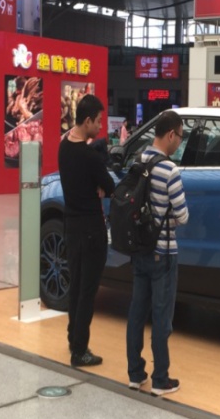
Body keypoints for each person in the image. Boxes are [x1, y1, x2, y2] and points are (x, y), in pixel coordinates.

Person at [126, 110, 189, 395]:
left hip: (139, 249)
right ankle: (161, 379)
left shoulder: (138, 161)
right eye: (180, 137)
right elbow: (183, 216)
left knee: (136, 312)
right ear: (171, 134)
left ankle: (135, 374)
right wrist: (168, 217)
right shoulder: (170, 170)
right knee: (162, 317)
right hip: (163, 252)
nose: (179, 143)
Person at [58, 94, 115, 367]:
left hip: (71, 227)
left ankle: (74, 338)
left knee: (76, 286)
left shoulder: (64, 147)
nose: (101, 126)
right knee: (88, 291)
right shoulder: (90, 157)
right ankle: (80, 350)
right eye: (99, 121)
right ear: (88, 120)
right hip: (91, 229)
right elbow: (110, 186)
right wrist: (100, 186)